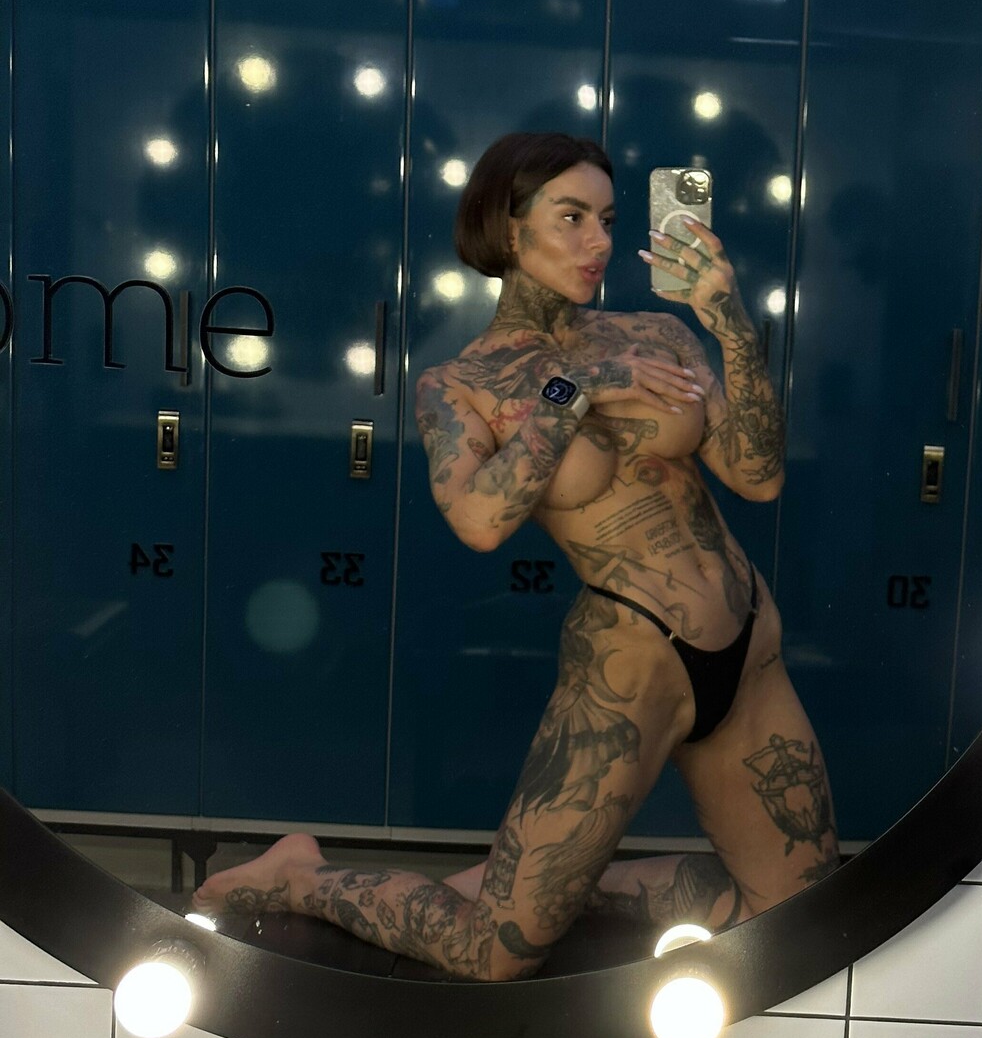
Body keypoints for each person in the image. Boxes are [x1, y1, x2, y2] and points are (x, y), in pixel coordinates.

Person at [195, 131, 838, 979]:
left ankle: (566, 887)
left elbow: (757, 475)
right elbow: (480, 521)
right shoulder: (458, 385)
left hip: (749, 645)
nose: (598, 241)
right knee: (491, 954)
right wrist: (575, 392)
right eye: (571, 217)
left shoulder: (657, 333)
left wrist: (727, 319)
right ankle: (300, 877)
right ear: (507, 226)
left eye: (608, 219)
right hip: (632, 666)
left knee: (795, 910)